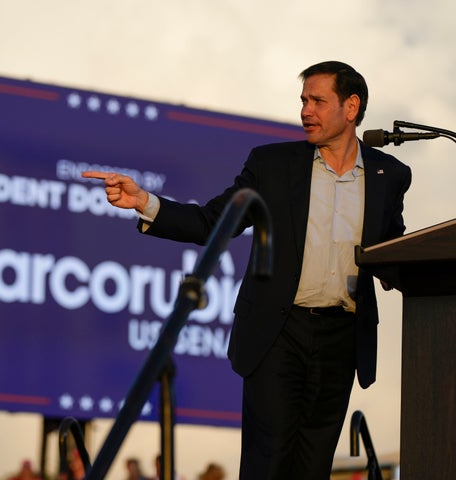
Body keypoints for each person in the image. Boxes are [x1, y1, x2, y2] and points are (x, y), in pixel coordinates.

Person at [83, 61, 411, 479]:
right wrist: (145, 201)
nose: (306, 111)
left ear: (351, 107)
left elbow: (393, 253)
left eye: (318, 101)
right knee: (266, 464)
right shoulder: (273, 164)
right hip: (279, 334)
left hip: (343, 338)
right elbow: (211, 223)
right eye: (303, 101)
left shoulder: (390, 175)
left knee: (312, 467)